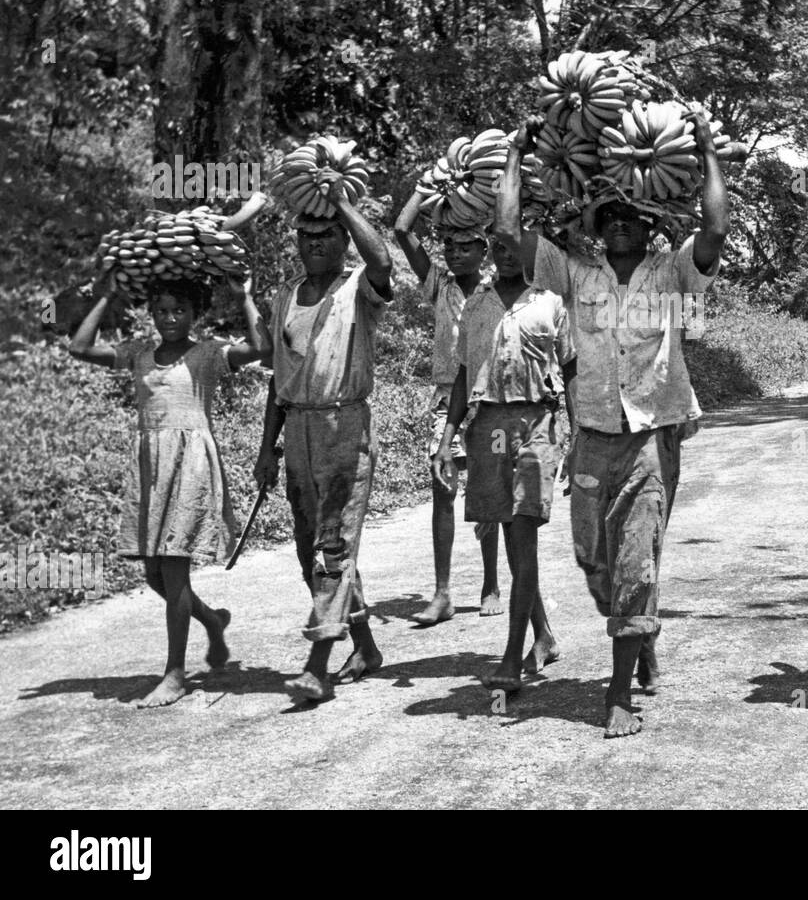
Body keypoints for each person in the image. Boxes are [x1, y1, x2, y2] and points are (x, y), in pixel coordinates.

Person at [494, 112, 729, 738]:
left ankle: (619, 692)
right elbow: (507, 229)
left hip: (652, 438)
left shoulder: (672, 273)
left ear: (649, 226)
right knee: (593, 562)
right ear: (598, 230)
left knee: (636, 561)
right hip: (593, 437)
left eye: (634, 217)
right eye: (611, 218)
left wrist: (705, 150)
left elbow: (715, 227)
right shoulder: (575, 276)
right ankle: (638, 630)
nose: (622, 225)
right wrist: (517, 153)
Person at [68, 271, 270, 707]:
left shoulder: (208, 354)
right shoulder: (139, 353)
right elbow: (79, 347)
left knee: (175, 570)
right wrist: (104, 298)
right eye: (161, 311)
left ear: (195, 313)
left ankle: (175, 675)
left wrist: (246, 296)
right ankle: (212, 620)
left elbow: (261, 348)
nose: (170, 319)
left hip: (190, 465)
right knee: (155, 574)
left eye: (179, 310)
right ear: (151, 314)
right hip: (151, 468)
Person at [254, 172, 393, 702]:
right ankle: (365, 645)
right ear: (296, 243)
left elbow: (381, 262)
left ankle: (317, 664)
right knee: (307, 545)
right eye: (307, 237)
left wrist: (340, 200)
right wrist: (267, 447)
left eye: (328, 235)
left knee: (332, 544)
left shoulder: (358, 286)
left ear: (343, 240)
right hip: (299, 427)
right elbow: (278, 376)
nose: (317, 245)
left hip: (344, 425)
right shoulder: (287, 294)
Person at [433, 236, 573, 691]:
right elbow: (460, 373)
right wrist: (446, 441)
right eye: (501, 247)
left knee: (523, 532)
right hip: (488, 424)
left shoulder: (550, 303)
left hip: (537, 421)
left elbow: (569, 370)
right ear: (492, 253)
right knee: (512, 535)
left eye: (518, 247)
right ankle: (545, 636)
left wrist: (577, 433)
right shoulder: (476, 306)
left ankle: (512, 656)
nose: (509, 255)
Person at [394, 184, 503, 624]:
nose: (455, 254)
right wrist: (427, 188)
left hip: (489, 397)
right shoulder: (439, 285)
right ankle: (442, 593)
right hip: (445, 396)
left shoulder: (498, 289)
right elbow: (402, 230)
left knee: (489, 495)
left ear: (483, 250)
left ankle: (491, 582)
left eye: (465, 246)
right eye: (449, 246)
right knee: (443, 491)